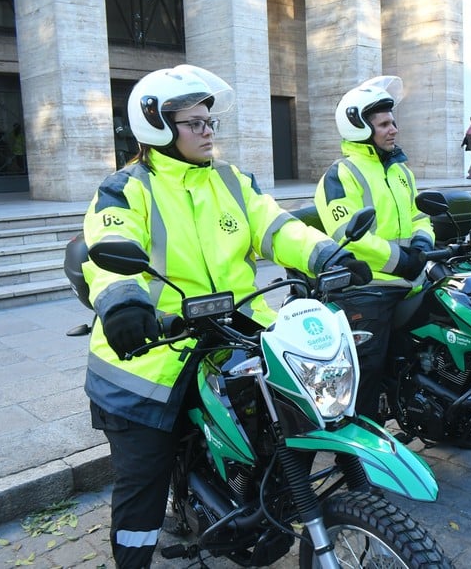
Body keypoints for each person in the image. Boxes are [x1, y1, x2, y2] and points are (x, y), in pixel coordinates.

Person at [80, 65, 371, 568]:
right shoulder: (127, 189)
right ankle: (133, 559)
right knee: (142, 476)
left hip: (234, 331)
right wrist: (124, 302)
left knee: (291, 415)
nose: (207, 129)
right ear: (157, 126)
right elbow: (110, 243)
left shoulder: (233, 181)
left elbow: (278, 228)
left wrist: (327, 253)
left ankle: (260, 506)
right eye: (194, 122)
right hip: (153, 351)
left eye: (209, 120)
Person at [314, 76, 438, 429]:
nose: (393, 129)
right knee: (367, 365)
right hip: (367, 287)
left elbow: (419, 215)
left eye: (393, 121)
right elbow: (349, 235)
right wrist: (402, 261)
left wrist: (422, 245)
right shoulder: (341, 175)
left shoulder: (400, 170)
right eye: (384, 123)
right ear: (359, 127)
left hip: (411, 277)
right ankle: (358, 451)